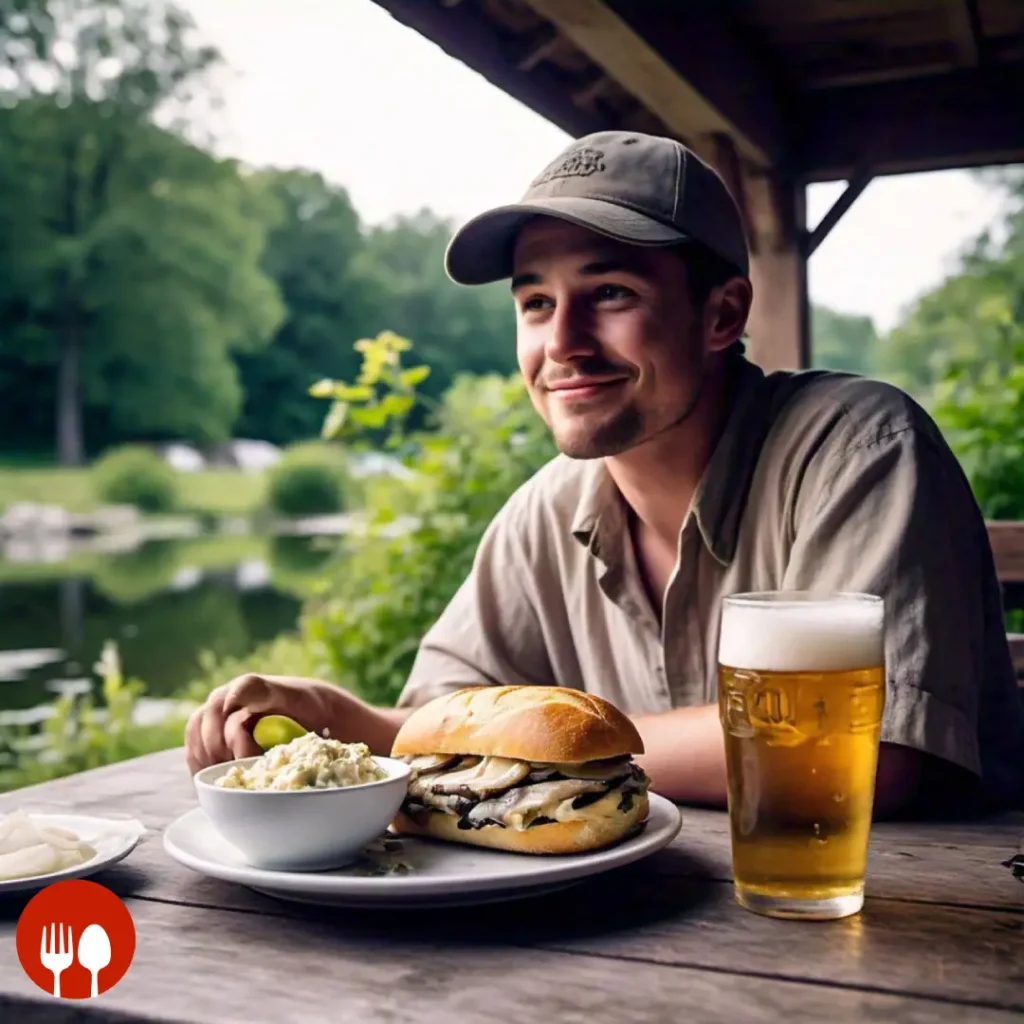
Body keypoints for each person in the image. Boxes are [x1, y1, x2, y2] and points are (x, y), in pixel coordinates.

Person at [185, 131, 1024, 814]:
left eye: (611, 292)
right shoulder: (544, 511)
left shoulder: (858, 447)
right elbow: (443, 731)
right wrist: (357, 722)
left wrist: (546, 747)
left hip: (913, 931)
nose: (562, 344)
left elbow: (866, 754)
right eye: (535, 303)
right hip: (632, 950)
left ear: (722, 314)